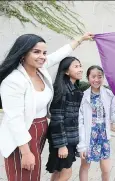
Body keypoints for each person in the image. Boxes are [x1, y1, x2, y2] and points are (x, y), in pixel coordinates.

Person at [0, 32, 93, 181]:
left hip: (40, 129)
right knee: (24, 176)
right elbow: (14, 119)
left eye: (44, 52)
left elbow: (59, 54)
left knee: (33, 175)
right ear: (23, 53)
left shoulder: (40, 70)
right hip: (23, 133)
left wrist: (80, 39)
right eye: (36, 52)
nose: (42, 56)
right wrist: (25, 152)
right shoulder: (13, 81)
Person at [77, 65, 115, 181]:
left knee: (106, 169)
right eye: (93, 76)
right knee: (84, 166)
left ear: (103, 78)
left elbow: (112, 116)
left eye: (99, 77)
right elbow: (81, 121)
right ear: (88, 78)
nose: (96, 80)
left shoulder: (109, 94)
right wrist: (82, 144)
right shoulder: (84, 96)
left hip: (103, 136)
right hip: (89, 135)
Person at [46, 56, 84, 181]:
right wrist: (62, 145)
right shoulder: (61, 89)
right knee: (66, 172)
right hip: (62, 140)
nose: (81, 69)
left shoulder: (74, 89)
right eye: (76, 66)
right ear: (66, 71)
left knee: (58, 171)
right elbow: (57, 119)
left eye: (80, 66)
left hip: (70, 139)